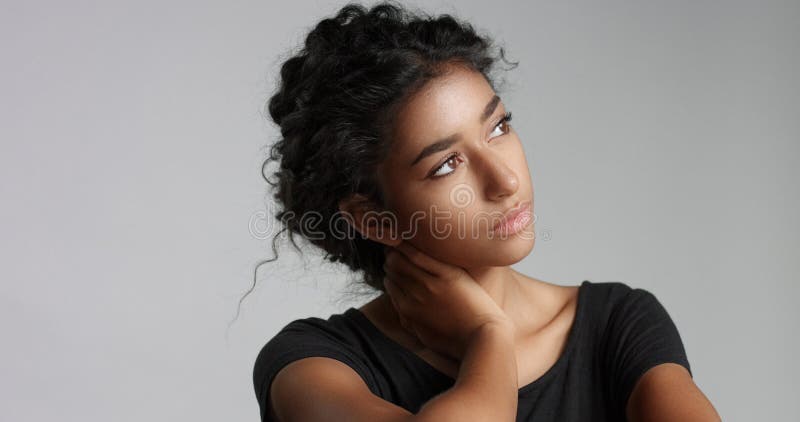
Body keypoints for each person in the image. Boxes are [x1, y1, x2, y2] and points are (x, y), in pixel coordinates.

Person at [251, 2, 721, 421]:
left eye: (498, 127)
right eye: (447, 164)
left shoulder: (618, 325)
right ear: (376, 219)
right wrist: (488, 336)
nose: (506, 181)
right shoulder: (311, 366)